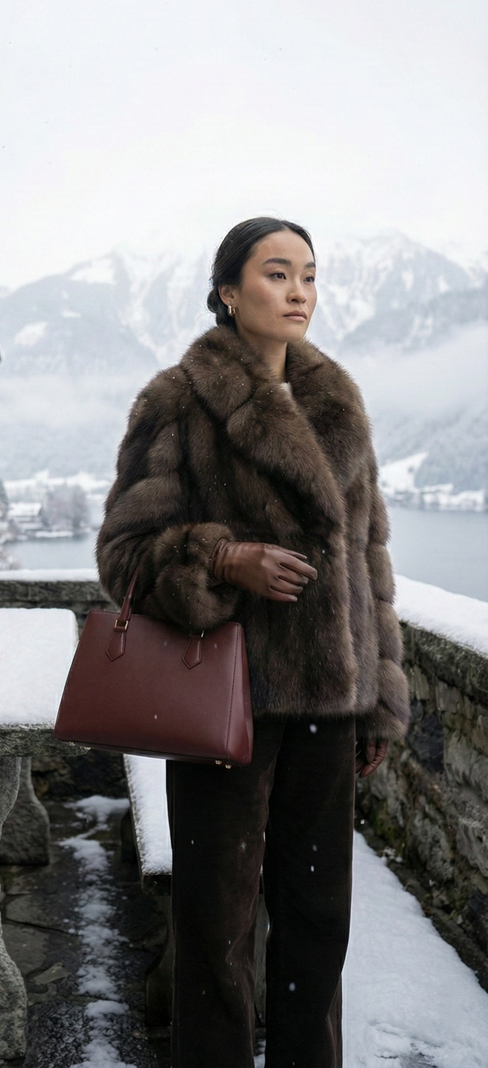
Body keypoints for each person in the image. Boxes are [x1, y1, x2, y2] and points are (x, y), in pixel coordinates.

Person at [96, 217, 410, 1068]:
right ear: (227, 292)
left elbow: (369, 561)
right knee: (216, 924)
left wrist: (379, 697)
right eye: (276, 273)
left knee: (318, 920)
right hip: (226, 704)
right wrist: (221, 558)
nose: (299, 291)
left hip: (331, 708)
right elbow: (122, 554)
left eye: (309, 274)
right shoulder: (177, 400)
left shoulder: (337, 403)